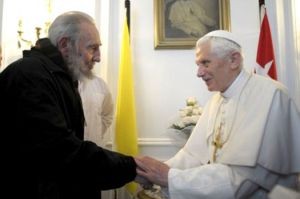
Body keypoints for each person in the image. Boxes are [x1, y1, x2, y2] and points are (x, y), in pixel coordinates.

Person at [136, 30, 300, 199]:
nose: (198, 73)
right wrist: (152, 171)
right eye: (198, 64)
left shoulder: (271, 96)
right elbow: (193, 155)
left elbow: (240, 181)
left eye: (205, 63)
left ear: (234, 60)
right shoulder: (216, 101)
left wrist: (168, 177)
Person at [0, 11, 138, 199]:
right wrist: (132, 167)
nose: (98, 57)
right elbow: (60, 152)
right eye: (92, 48)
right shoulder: (29, 76)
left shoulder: (56, 76)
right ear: (65, 44)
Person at [78, 70, 114, 147]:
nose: (98, 59)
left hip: (94, 148)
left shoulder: (100, 84)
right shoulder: (57, 82)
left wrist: (96, 132)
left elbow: (107, 115)